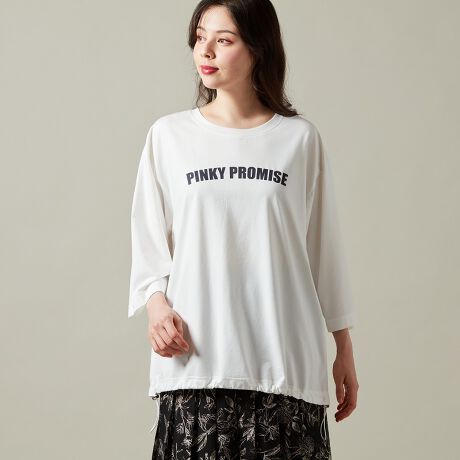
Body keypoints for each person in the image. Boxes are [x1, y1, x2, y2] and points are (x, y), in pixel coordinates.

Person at [128, 0, 359, 458]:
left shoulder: (299, 139)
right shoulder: (169, 137)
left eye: (223, 40)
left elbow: (324, 249)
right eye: (200, 37)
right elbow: (148, 239)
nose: (205, 50)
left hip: (284, 372)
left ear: (258, 48)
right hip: (196, 369)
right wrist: (156, 307)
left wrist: (344, 347)